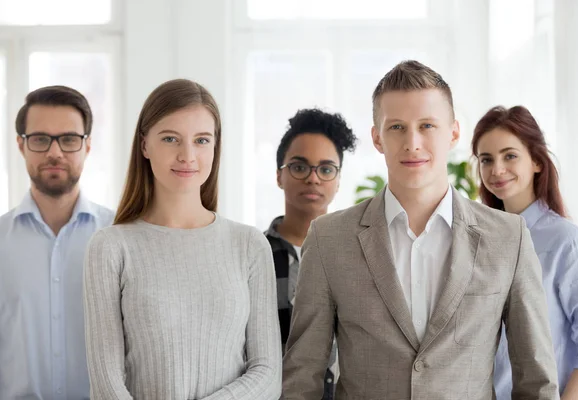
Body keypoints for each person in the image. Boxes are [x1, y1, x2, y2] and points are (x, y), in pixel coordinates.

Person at [281, 60, 559, 399]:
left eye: (427, 125)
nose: (412, 142)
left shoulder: (508, 238)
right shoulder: (328, 239)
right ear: (377, 137)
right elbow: (302, 376)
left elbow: (537, 380)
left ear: (453, 133)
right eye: (396, 127)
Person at [83, 79, 281, 400]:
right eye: (170, 138)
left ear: (216, 147)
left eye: (201, 140)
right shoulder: (110, 246)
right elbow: (106, 381)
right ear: (145, 145)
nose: (187, 155)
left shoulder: (248, 244)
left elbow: (267, 373)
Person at [472, 105, 578, 399]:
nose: (497, 170)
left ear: (537, 162)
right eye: (486, 159)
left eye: (510, 156)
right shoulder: (479, 241)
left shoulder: (566, 242)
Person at [0, 85, 114, 399]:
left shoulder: (120, 236)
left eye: (68, 139)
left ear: (87, 146)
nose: (54, 152)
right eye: (40, 139)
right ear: (21, 146)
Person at [266, 108, 357, 399]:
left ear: (338, 179)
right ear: (280, 175)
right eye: (299, 166)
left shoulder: (357, 254)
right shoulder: (255, 255)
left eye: (326, 168)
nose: (313, 179)